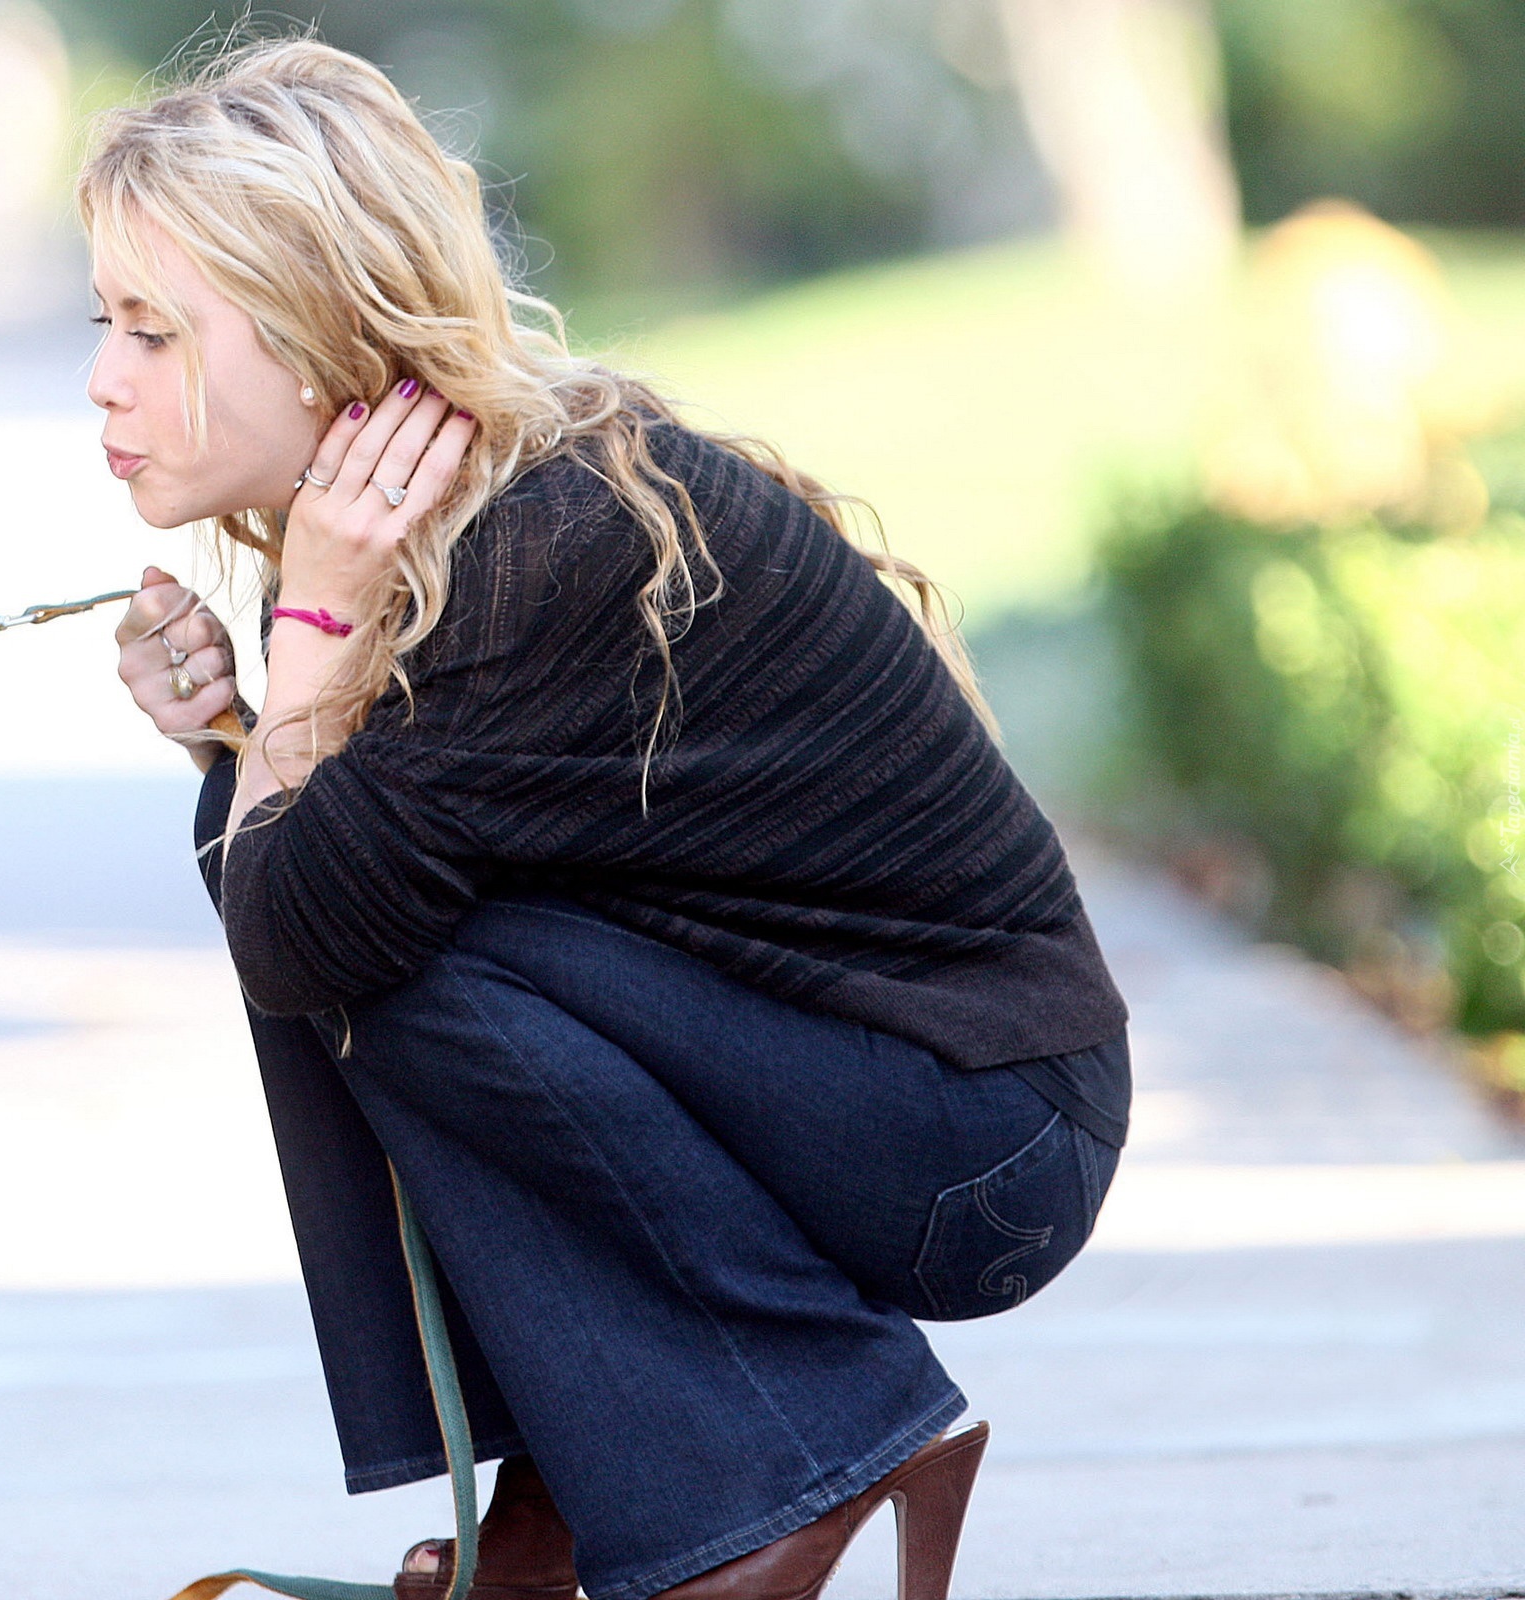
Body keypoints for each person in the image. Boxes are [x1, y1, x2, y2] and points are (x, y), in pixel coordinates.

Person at [83, 38, 1129, 1600]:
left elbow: (312, 936)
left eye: (155, 330)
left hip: (976, 1138)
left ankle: (784, 1454)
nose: (104, 376)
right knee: (311, 870)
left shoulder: (543, 546)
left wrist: (298, 680)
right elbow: (325, 887)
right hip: (875, 1088)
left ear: (315, 332)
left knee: (369, 942)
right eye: (106, 321)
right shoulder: (472, 515)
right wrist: (245, 739)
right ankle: (574, 1500)